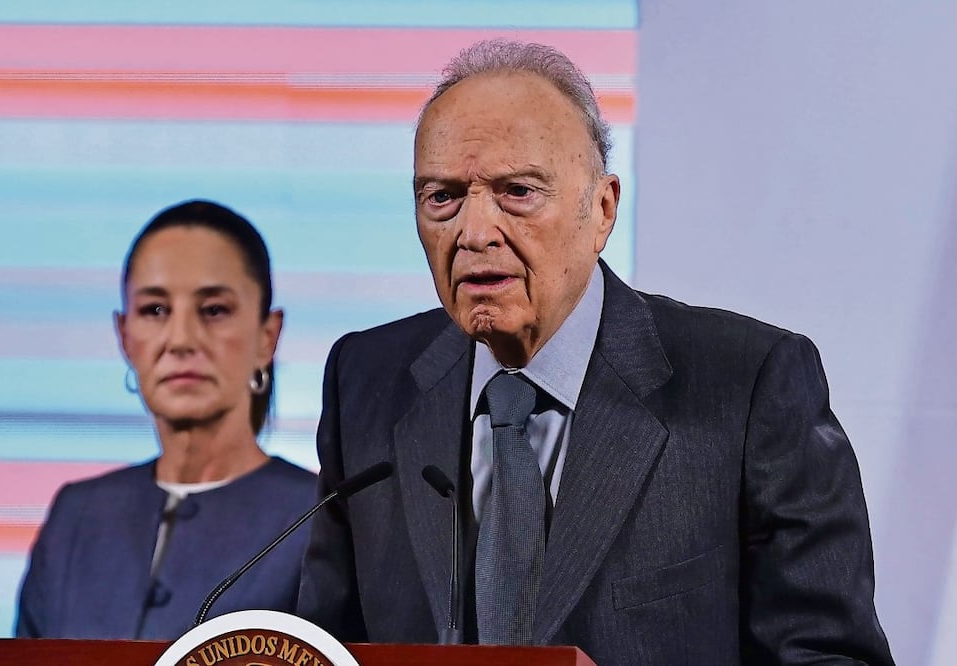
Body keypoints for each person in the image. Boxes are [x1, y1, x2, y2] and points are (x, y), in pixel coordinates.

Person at [297, 40, 894, 664]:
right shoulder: (364, 381)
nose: (474, 233)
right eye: (441, 197)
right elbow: (317, 647)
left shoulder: (748, 386)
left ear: (602, 209)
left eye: (518, 192)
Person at [16, 200, 316, 640]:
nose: (180, 339)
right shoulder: (77, 516)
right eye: (154, 310)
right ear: (124, 337)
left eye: (214, 310)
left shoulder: (320, 519)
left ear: (267, 336)